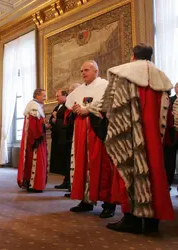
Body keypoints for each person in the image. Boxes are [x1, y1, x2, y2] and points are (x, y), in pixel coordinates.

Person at [100, 43, 174, 233]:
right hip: (155, 136)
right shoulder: (161, 78)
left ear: (133, 56)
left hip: (129, 134)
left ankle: (131, 219)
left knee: (129, 168)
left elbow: (110, 107)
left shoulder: (122, 74)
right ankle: (151, 222)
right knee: (155, 171)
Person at [65, 60, 116, 218]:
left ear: (96, 71)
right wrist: (76, 108)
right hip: (81, 130)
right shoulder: (80, 89)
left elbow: (107, 103)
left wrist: (88, 109)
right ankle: (86, 200)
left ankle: (108, 203)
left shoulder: (104, 84)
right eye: (81, 71)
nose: (83, 73)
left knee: (101, 164)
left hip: (98, 129)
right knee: (83, 163)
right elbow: (69, 102)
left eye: (86, 70)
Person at [17, 88, 48, 192]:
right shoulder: (34, 107)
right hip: (36, 140)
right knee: (36, 162)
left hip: (35, 139)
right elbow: (35, 126)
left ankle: (31, 183)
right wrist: (45, 126)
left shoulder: (35, 106)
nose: (45, 98)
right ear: (37, 95)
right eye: (43, 96)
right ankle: (35, 185)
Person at [164, 82, 178, 188]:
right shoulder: (169, 100)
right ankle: (167, 184)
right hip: (172, 134)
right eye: (177, 87)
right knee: (169, 161)